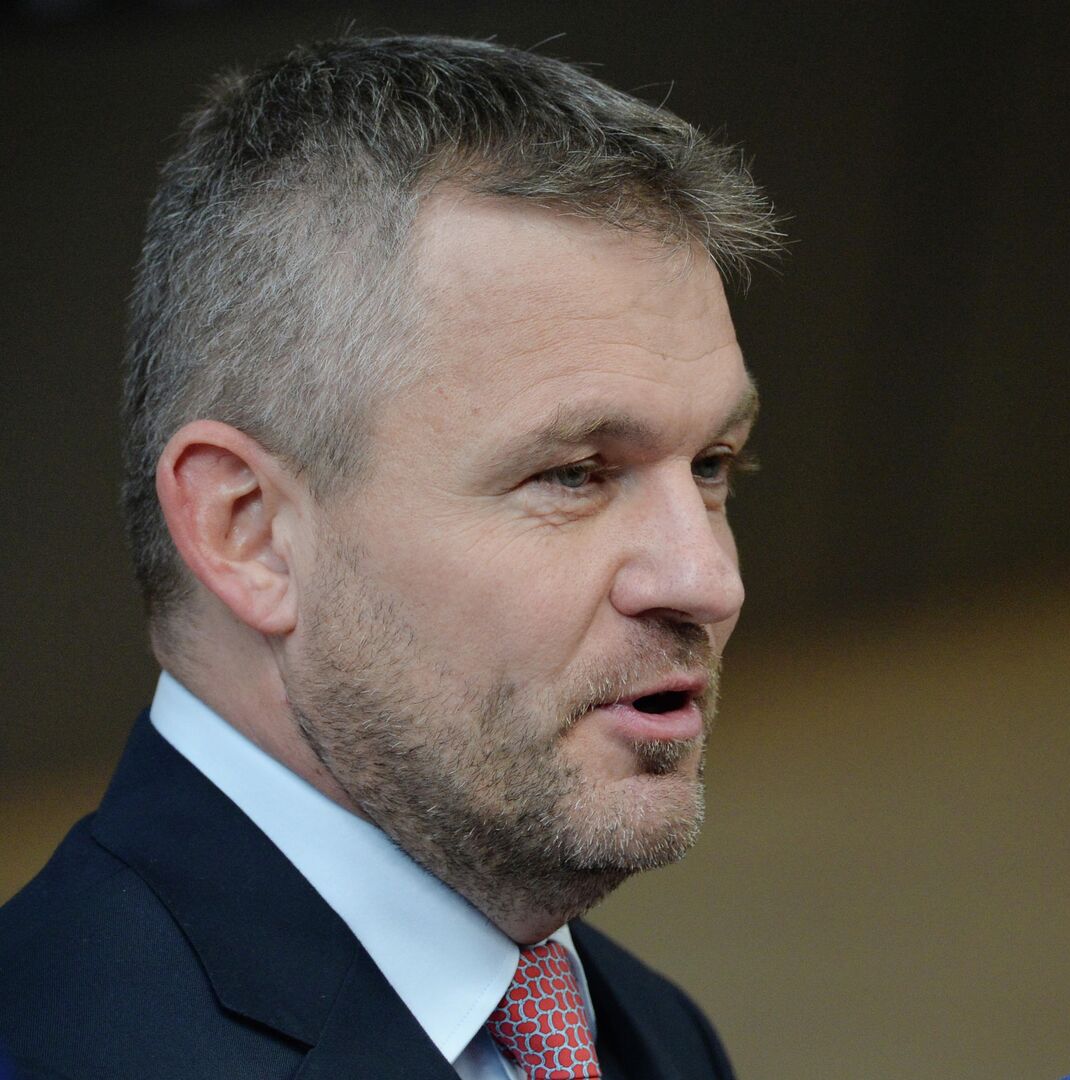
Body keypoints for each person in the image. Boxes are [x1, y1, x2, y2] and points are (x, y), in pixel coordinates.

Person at [0, 34, 782, 1080]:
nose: (708, 581)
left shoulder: (654, 1036)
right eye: (574, 475)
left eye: (714, 465)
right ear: (247, 531)